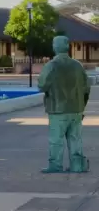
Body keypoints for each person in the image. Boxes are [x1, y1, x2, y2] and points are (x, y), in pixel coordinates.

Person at [38, 35, 90, 173]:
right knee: (75, 139)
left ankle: (55, 165)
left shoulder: (51, 66)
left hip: (57, 109)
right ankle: (77, 166)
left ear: (55, 47)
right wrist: (82, 106)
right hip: (76, 109)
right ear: (67, 47)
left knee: (56, 139)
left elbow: (42, 85)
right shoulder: (78, 66)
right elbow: (86, 89)